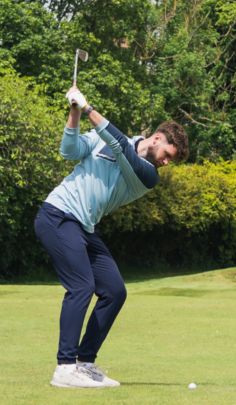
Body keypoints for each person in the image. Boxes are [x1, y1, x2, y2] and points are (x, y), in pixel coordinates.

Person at [35, 87, 189, 388]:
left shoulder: (148, 175)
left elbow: (121, 147)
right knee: (81, 286)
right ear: (157, 139)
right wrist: (75, 112)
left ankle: (85, 363)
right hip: (58, 215)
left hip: (83, 227)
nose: (167, 163)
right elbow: (69, 150)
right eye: (168, 155)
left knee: (114, 291)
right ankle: (64, 369)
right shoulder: (104, 138)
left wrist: (87, 105)